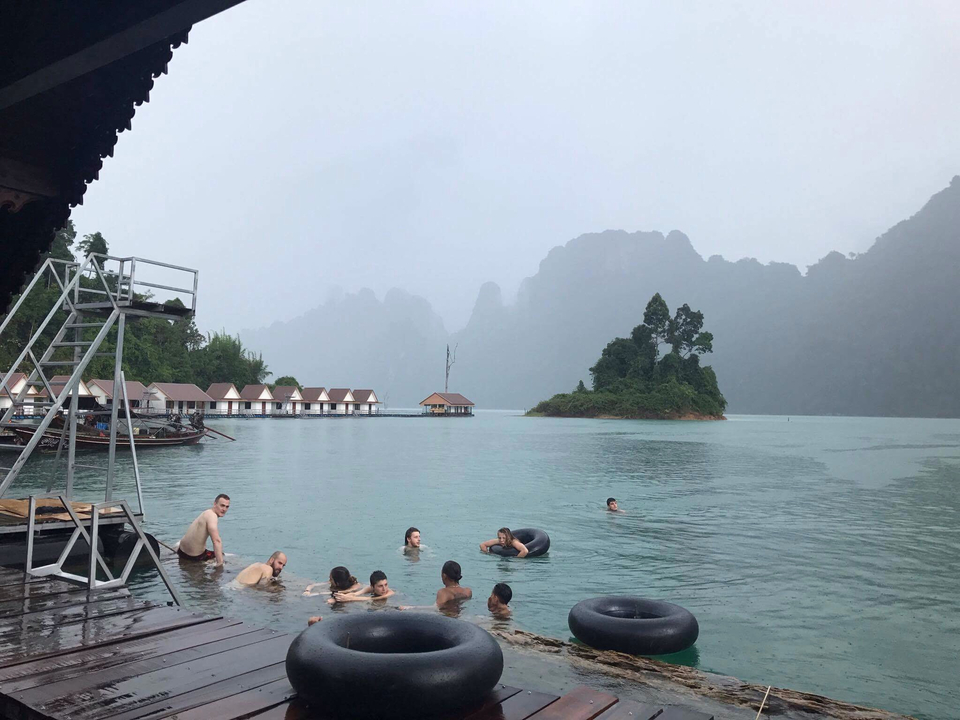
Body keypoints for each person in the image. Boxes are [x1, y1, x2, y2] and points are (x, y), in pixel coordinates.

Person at [176, 493, 230, 566]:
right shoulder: (212, 516)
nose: (224, 509)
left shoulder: (206, 513)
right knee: (224, 555)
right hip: (194, 557)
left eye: (227, 507)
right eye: (222, 505)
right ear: (215, 504)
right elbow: (216, 541)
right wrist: (220, 564)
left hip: (181, 551)